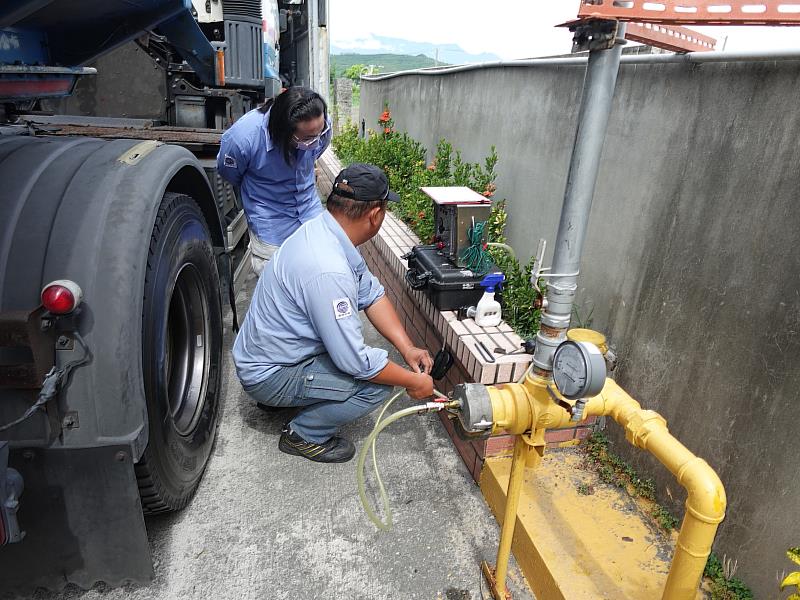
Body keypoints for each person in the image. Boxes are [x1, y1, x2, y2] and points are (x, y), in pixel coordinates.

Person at [233, 163, 434, 463]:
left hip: (268, 356)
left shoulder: (324, 230)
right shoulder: (328, 269)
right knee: (376, 386)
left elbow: (372, 294)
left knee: (375, 367)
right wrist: (412, 381)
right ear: (375, 215)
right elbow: (356, 362)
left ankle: (285, 398)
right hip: (267, 374)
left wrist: (407, 348)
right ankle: (303, 434)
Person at [217, 86, 332, 275]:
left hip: (310, 214)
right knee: (280, 290)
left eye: (319, 132)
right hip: (271, 227)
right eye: (308, 138)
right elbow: (229, 172)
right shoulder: (243, 138)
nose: (316, 140)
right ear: (283, 132)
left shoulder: (319, 124)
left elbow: (319, 148)